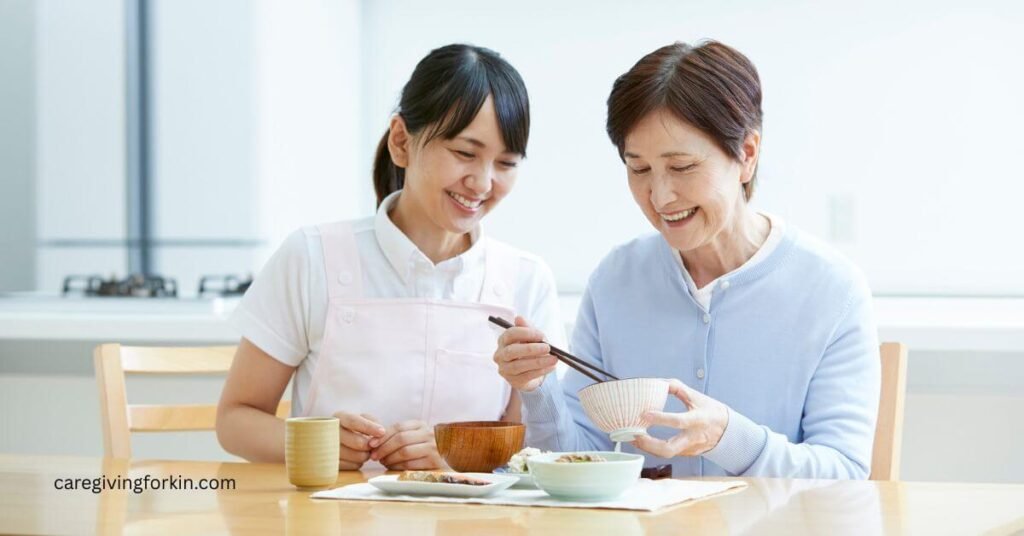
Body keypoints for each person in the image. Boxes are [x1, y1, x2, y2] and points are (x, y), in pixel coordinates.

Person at [494, 40, 880, 479]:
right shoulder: (616, 280)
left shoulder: (832, 291)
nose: (659, 196)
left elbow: (845, 475)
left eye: (681, 167)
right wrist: (536, 388)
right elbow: (580, 459)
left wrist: (729, 437)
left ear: (746, 154)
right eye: (638, 169)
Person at [217, 44, 564, 471]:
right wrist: (315, 441)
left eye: (506, 163)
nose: (482, 182)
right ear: (401, 141)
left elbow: (531, 449)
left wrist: (451, 455)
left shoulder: (525, 279)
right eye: (464, 153)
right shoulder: (313, 256)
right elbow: (235, 420)